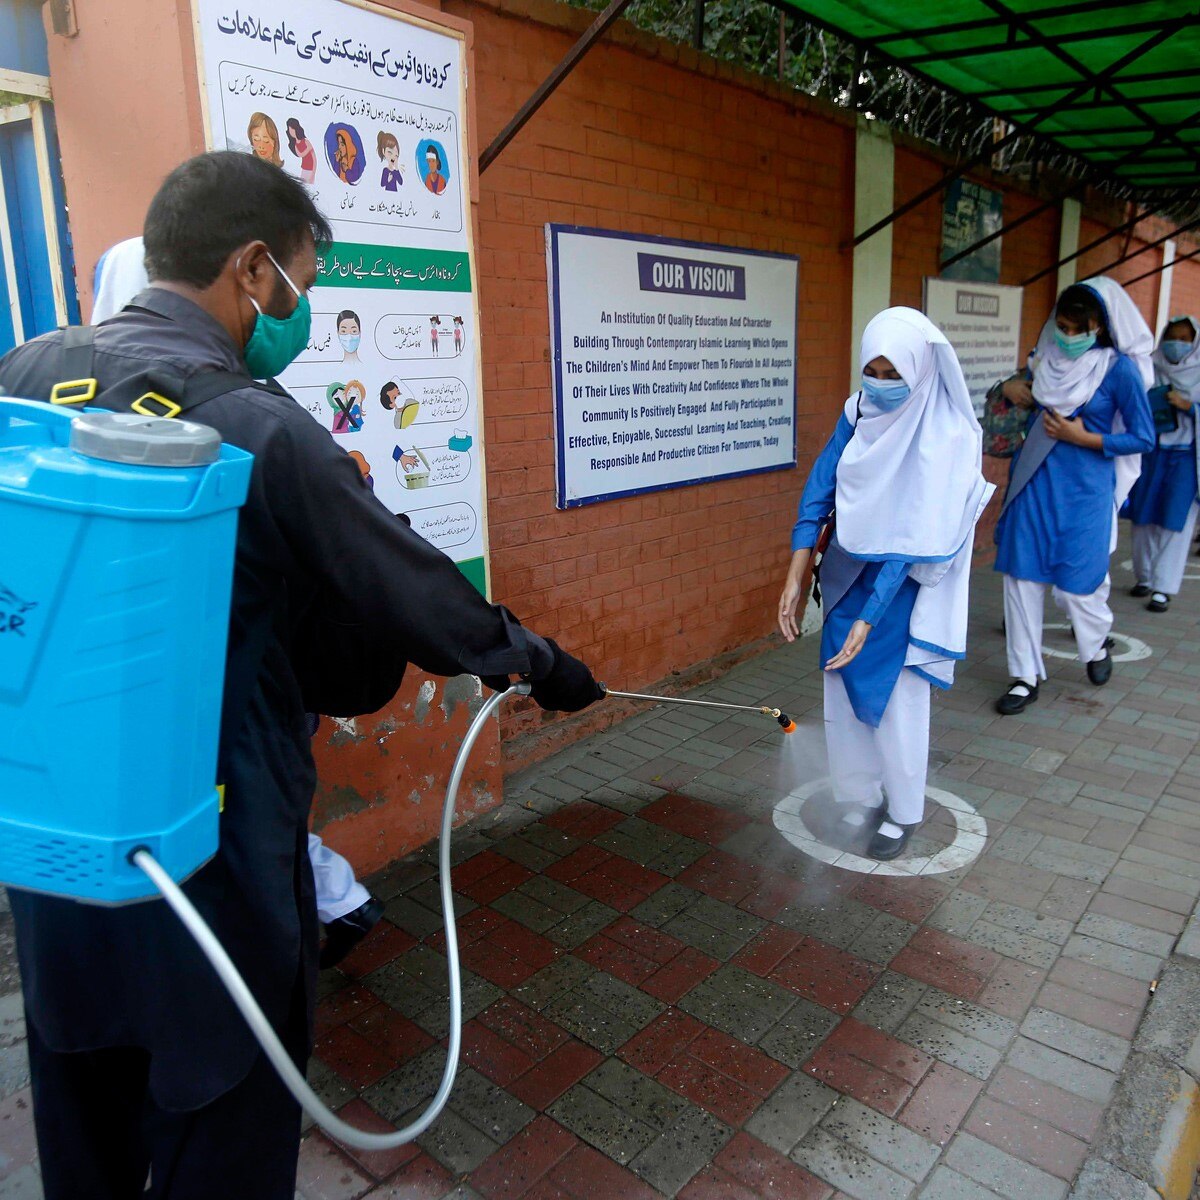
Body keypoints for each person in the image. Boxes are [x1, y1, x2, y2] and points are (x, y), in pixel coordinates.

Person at [0, 150, 603, 1200]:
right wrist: (540, 664)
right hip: (219, 853)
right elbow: (411, 589)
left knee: (83, 1109)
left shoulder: (24, 372)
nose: (300, 307)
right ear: (251, 270)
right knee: (224, 1112)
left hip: (60, 853)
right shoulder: (255, 425)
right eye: (304, 282)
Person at [92, 237, 385, 966]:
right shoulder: (103, 417)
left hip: (255, 687)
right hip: (176, 694)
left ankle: (327, 908)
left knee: (257, 822)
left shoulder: (259, 411)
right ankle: (335, 905)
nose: (286, 312)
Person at [778, 308, 993, 860]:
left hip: (904, 589)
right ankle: (858, 793)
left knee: (897, 701)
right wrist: (796, 573)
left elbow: (912, 537)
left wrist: (872, 616)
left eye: (892, 371)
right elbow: (820, 487)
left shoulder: (944, 436)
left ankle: (902, 811)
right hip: (850, 575)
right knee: (841, 687)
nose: (879, 381)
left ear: (920, 369)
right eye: (870, 368)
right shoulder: (858, 412)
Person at [993, 283, 1154, 714]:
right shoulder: (1047, 360)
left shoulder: (1118, 371)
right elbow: (1018, 390)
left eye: (1075, 328)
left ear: (1098, 327)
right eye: (1060, 326)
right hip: (1033, 482)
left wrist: (1085, 437)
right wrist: (1011, 386)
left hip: (1086, 491)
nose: (1066, 335)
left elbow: (1143, 437)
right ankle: (1024, 677)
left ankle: (1095, 642)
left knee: (1079, 585)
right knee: (1021, 579)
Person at [1127, 315, 1200, 612]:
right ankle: (1143, 576)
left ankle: (1163, 587)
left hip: (1186, 456)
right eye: (1173, 337)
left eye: (1185, 339)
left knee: (1175, 521)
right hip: (1152, 451)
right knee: (1143, 515)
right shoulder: (1150, 366)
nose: (1177, 345)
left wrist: (1190, 406)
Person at [285, 119, 317, 184]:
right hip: (304, 168)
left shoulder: (305, 141)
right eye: (290, 130)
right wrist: (308, 149)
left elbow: (314, 159)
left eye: (292, 129)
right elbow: (300, 154)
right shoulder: (295, 144)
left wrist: (313, 174)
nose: (291, 132)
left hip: (310, 169)